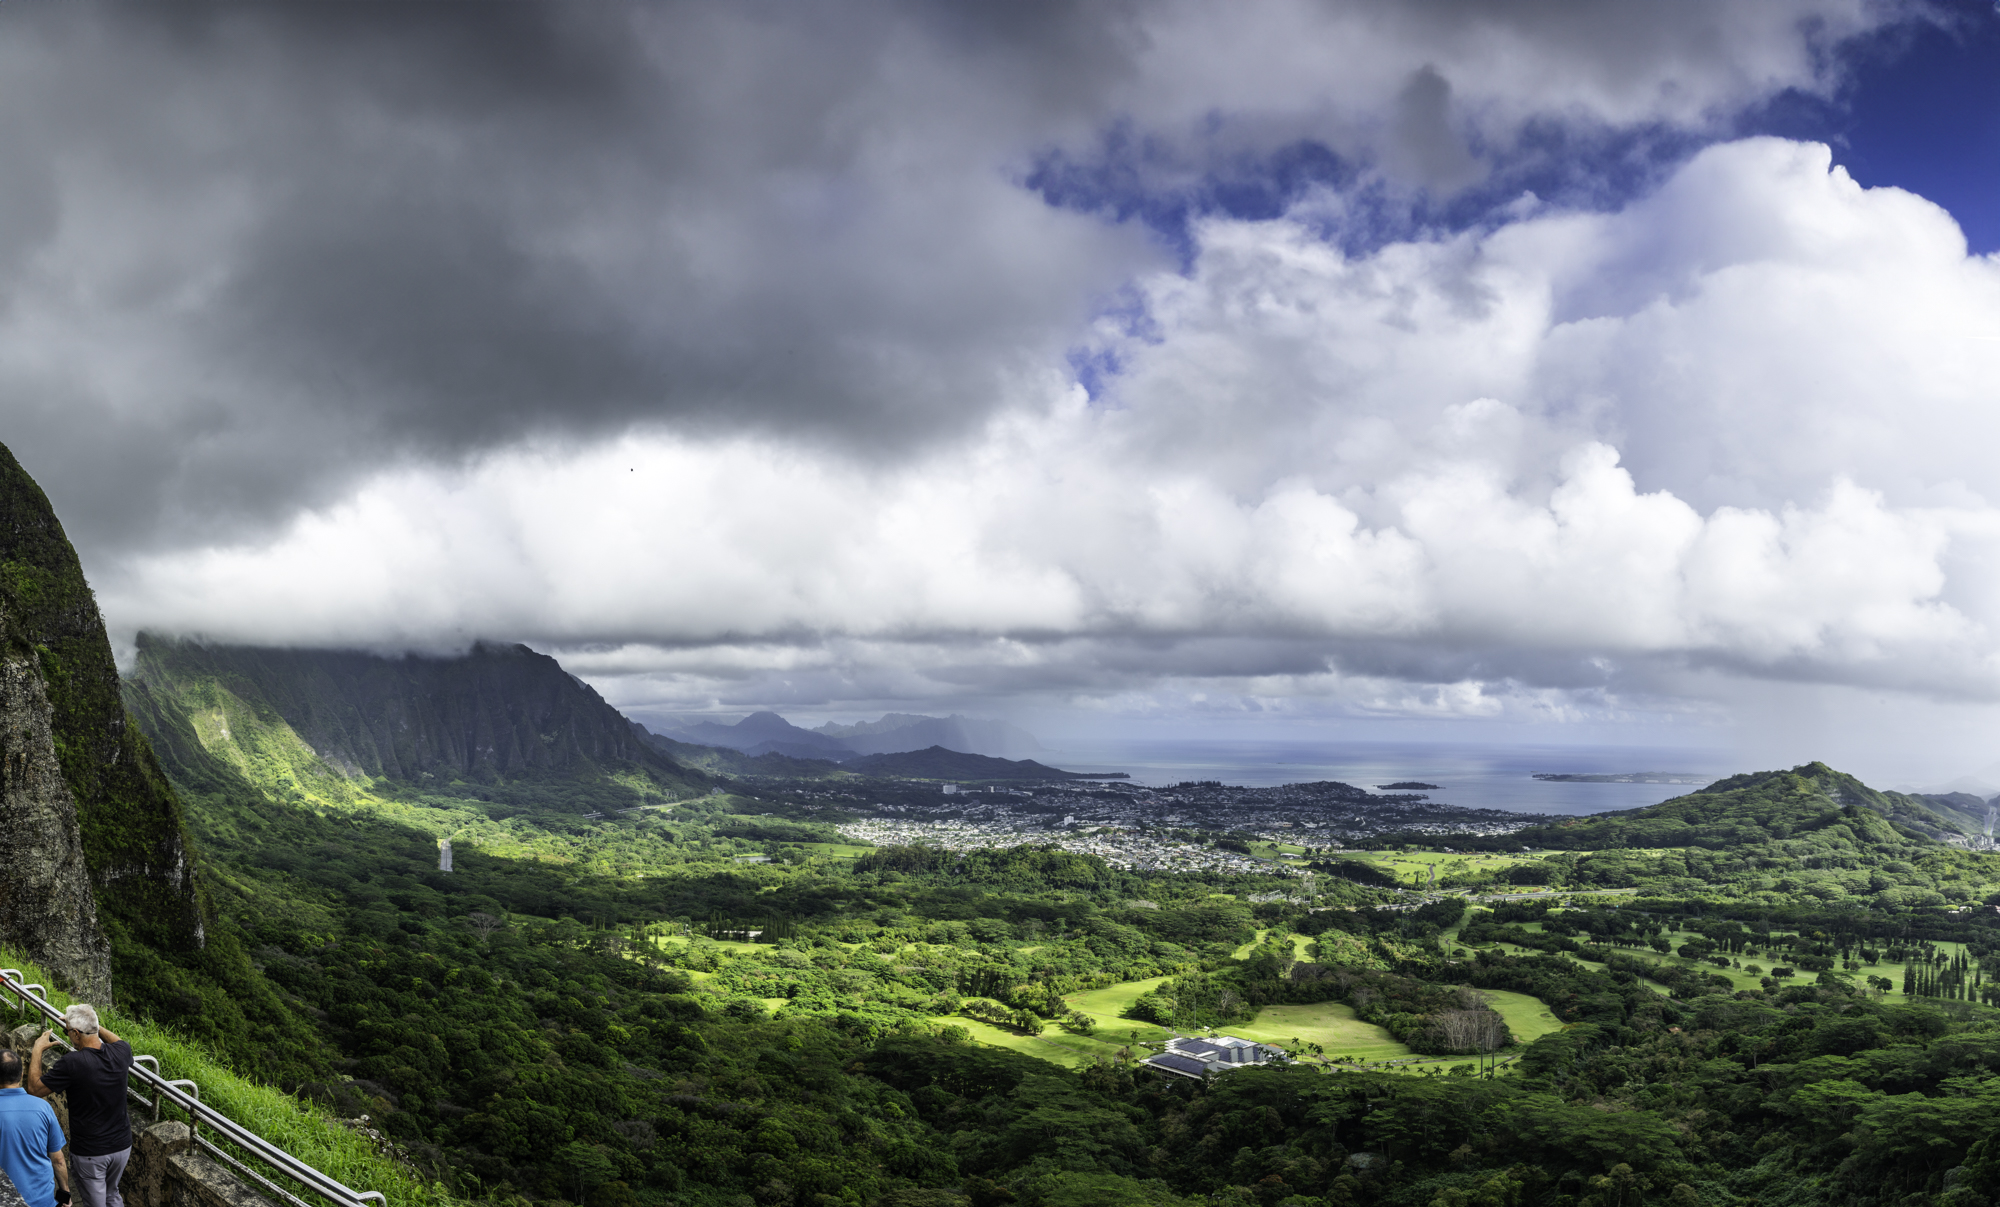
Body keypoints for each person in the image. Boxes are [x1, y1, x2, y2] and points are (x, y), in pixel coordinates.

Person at [28, 1007, 129, 1207]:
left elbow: (34, 1089)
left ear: (75, 1034)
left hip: (91, 1152)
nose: (67, 1035)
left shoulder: (72, 1063)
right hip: (122, 1146)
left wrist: (38, 1049)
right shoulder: (121, 1052)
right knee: (112, 1194)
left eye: (67, 1031)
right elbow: (117, 1040)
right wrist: (90, 1024)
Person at [0, 1049, 69, 1207]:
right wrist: (65, 1193)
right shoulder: (43, 1108)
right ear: (21, 1074)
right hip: (41, 1200)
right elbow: (58, 1160)